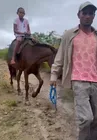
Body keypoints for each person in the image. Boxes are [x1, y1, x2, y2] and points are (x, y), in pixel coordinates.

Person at [50, 1, 97, 140]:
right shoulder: (70, 35)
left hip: (96, 81)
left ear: (94, 16)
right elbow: (60, 57)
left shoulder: (96, 35)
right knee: (86, 118)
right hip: (79, 80)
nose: (88, 16)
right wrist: (53, 75)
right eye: (85, 13)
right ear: (79, 15)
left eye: (91, 13)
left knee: (96, 119)